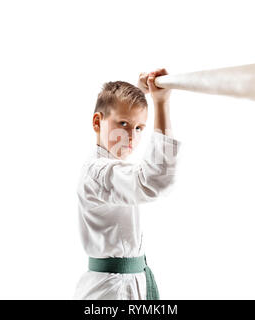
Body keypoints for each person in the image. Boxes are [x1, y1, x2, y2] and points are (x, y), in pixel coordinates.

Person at [73, 68, 182, 300]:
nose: (132, 136)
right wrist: (161, 103)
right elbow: (154, 182)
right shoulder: (98, 172)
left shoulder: (112, 169)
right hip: (111, 293)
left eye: (139, 128)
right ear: (96, 122)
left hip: (127, 285)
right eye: (123, 123)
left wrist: (142, 92)